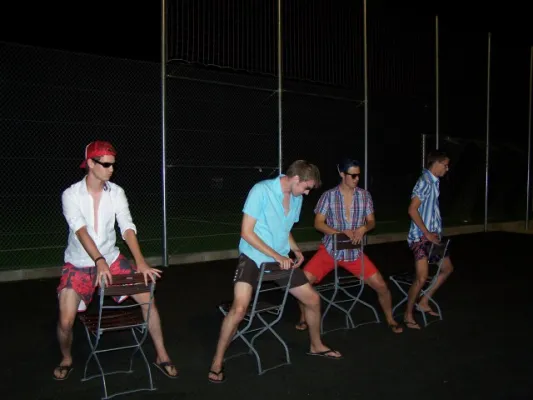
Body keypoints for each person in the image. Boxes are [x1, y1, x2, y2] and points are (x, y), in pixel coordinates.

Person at [208, 160, 342, 384]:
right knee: (239, 309)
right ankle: (217, 360)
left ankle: (316, 345)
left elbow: (284, 229)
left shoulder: (296, 198)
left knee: (312, 299)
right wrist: (278, 256)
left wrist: (295, 249)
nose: (307, 193)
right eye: (306, 187)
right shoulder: (261, 190)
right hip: (253, 257)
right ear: (296, 178)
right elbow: (246, 232)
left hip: (280, 260)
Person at [53, 141, 178, 380]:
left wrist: (140, 262)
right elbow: (80, 230)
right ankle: (66, 358)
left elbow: (127, 226)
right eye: (106, 164)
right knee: (66, 320)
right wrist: (98, 260)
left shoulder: (117, 192)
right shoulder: (71, 194)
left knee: (148, 298)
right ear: (90, 164)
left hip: (111, 258)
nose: (112, 169)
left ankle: (161, 355)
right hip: (79, 263)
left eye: (113, 164)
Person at [294, 158, 403, 334]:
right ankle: (303, 316)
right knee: (302, 282)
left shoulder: (364, 196)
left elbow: (371, 222)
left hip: (353, 253)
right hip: (330, 250)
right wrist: (340, 233)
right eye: (353, 175)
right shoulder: (329, 196)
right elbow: (318, 223)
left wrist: (363, 228)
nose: (357, 179)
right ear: (342, 174)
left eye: (358, 175)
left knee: (381, 286)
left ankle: (390, 319)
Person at [404, 150, 454, 329]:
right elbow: (412, 209)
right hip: (420, 238)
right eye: (445, 165)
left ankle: (423, 301)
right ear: (436, 163)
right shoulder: (424, 182)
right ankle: (408, 315)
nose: (447, 168)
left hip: (433, 237)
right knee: (422, 278)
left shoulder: (434, 182)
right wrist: (426, 233)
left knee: (447, 269)